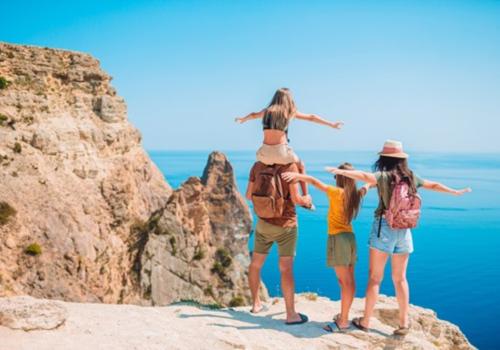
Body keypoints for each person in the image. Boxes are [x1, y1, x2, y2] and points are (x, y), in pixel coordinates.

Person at [326, 140, 472, 336]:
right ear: (402, 159)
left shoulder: (384, 176)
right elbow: (434, 184)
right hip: (405, 230)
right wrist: (454, 192)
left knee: (375, 278)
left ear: (383, 158)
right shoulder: (411, 177)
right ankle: (404, 323)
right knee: (400, 278)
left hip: (384, 228)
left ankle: (365, 321)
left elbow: (363, 176)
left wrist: (341, 171)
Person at [281, 163, 369, 332]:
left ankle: (342, 321)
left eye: (336, 177)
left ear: (340, 178)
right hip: (350, 238)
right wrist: (371, 182)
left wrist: (298, 177)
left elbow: (315, 182)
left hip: (338, 239)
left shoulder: (337, 193)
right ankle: (344, 316)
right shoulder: (355, 195)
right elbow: (366, 186)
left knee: (344, 282)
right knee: (350, 280)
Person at [236, 87, 343, 209]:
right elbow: (312, 117)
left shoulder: (267, 111)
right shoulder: (288, 111)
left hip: (263, 153)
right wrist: (331, 124)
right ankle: (306, 197)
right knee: (301, 164)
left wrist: (242, 119)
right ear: (288, 100)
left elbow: (253, 115)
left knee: (264, 164)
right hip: (281, 152)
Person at [246, 160, 312, 325]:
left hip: (263, 224)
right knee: (286, 269)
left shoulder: (258, 165)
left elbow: (248, 195)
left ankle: (255, 305)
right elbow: (297, 199)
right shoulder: (289, 167)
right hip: (286, 226)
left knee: (255, 265)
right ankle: (291, 314)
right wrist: (307, 198)